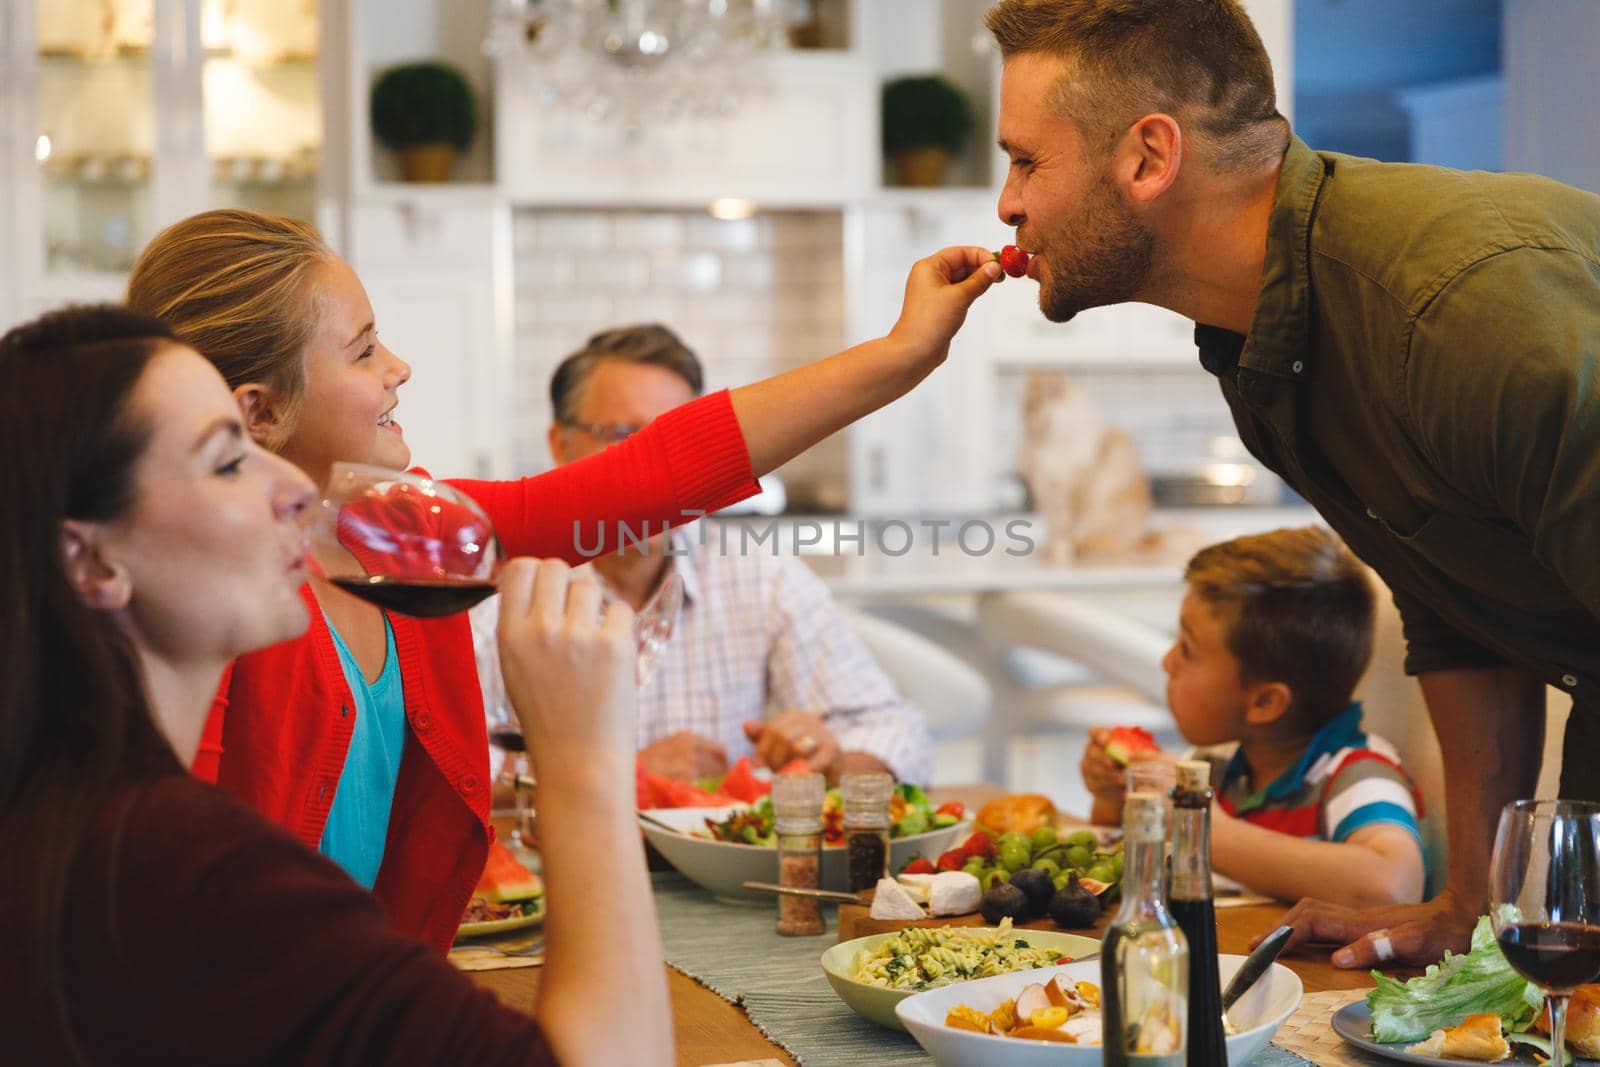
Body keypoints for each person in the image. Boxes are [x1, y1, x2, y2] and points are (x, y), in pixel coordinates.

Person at [124, 209, 998, 953]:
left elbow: (653, 476)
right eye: (362, 351)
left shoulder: (406, 529)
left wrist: (902, 355)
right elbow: (184, 898)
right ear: (259, 413)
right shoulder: (209, 599)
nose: (398, 366)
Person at [983, 0, 1600, 969]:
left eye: (1025, 161)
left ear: (1148, 156)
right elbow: (1456, 608)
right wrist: (1467, 905)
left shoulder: (1455, 313)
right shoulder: (1261, 356)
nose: (1006, 206)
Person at [0, 305, 672, 1066]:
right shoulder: (196, 873)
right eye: (227, 461)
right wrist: (584, 760)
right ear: (91, 562)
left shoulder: (57, 811)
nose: (290, 482)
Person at [474, 324, 932, 786]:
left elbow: (897, 734)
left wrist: (831, 761)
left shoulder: (759, 575)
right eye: (622, 437)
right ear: (560, 444)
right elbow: (450, 768)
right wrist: (620, 775)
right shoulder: (495, 590)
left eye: (673, 450)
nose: (652, 473)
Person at [1082, 527, 1425, 907]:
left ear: (1264, 702)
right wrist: (1112, 800)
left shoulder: (1354, 773)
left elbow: (1393, 885)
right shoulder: (1217, 763)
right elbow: (1121, 868)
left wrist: (1203, 826)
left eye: (1187, 649)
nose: (1167, 662)